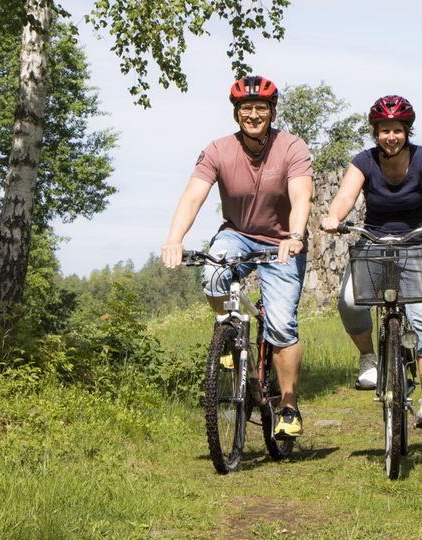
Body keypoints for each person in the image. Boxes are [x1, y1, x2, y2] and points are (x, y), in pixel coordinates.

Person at [162, 75, 314, 438]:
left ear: (272, 111)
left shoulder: (291, 147)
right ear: (236, 114)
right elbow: (193, 195)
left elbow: (301, 197)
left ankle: (289, 405)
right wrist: (174, 239)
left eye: (261, 107)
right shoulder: (217, 150)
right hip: (238, 234)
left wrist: (294, 236)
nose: (254, 114)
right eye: (246, 108)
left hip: (280, 241)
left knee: (280, 324)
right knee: (213, 273)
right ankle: (228, 329)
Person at [320, 95, 422, 427]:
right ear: (375, 133)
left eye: (397, 130)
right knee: (350, 302)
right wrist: (334, 217)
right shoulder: (364, 161)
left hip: (416, 244)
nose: (391, 137)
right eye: (384, 131)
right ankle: (369, 358)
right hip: (374, 243)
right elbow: (345, 196)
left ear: (406, 131)